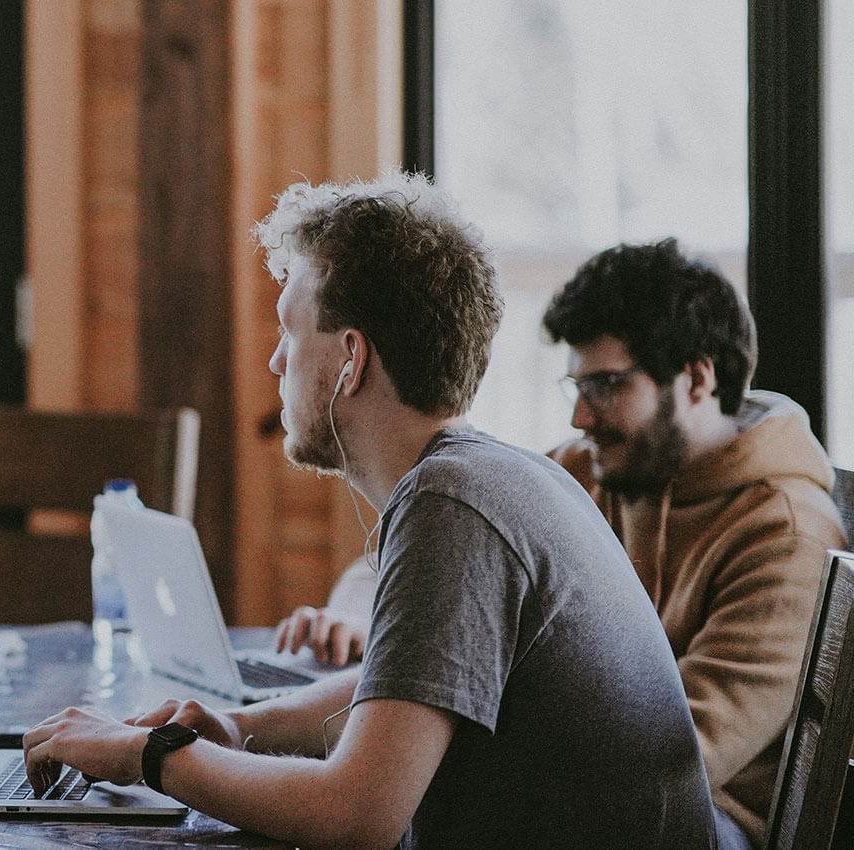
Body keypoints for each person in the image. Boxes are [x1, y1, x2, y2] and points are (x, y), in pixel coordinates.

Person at [21, 173, 716, 848]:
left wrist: (148, 755)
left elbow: (355, 817)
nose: (273, 362)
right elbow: (409, 680)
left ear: (350, 359)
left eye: (289, 333)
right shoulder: (504, 475)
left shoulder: (452, 504)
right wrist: (238, 727)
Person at [273, 238, 843, 848]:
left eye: (606, 385)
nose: (580, 417)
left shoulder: (786, 532)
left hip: (700, 824)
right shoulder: (588, 468)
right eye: (576, 388)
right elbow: (439, 557)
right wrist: (362, 618)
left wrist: (414, 714)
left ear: (698, 377)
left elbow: (673, 765)